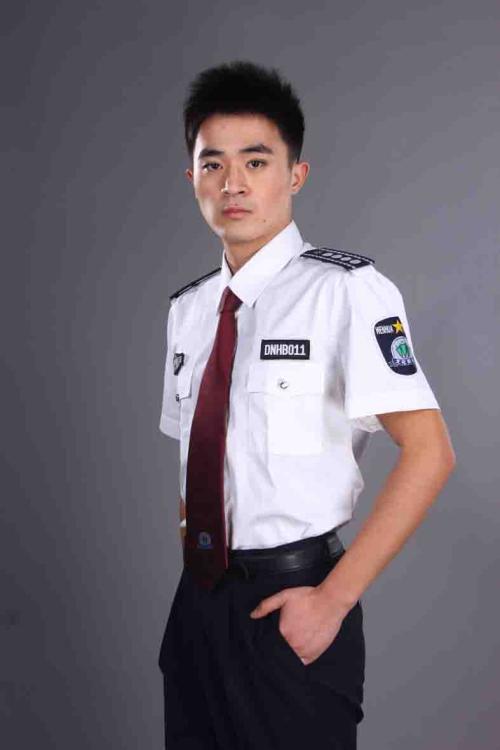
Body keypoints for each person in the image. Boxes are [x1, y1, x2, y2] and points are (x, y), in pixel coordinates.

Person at [157, 60, 456, 749]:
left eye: (256, 162)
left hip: (294, 603)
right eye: (212, 164)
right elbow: (200, 459)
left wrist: (334, 600)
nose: (233, 183)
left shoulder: (345, 291)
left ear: (295, 174)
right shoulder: (189, 311)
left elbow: (430, 452)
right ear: (192, 178)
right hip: (198, 607)